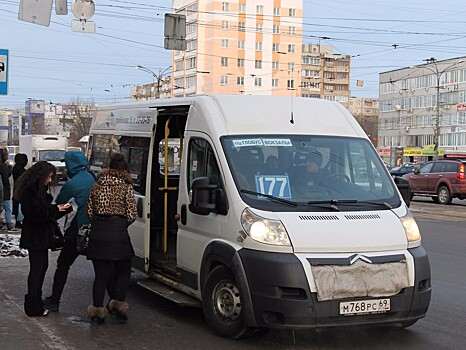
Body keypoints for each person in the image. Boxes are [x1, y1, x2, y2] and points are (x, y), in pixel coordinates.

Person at [14, 161, 72, 317]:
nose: (50, 179)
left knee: (40, 268)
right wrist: (55, 209)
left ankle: (35, 303)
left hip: (37, 236)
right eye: (49, 176)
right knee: (37, 270)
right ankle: (33, 305)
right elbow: (36, 214)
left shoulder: (34, 190)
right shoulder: (31, 192)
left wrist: (60, 210)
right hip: (36, 237)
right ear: (41, 175)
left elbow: (42, 212)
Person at [86, 153, 137, 324]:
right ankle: (117, 307)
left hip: (98, 232)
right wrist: (120, 224)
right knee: (123, 270)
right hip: (118, 232)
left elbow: (89, 212)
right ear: (124, 168)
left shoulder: (97, 185)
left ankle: (97, 312)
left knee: (101, 275)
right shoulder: (126, 187)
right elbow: (131, 214)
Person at [43, 151, 96, 312]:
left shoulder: (72, 183)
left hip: (77, 228)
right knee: (101, 266)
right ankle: (113, 303)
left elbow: (59, 202)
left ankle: (54, 300)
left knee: (63, 265)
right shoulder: (91, 177)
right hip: (94, 227)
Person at [0, 148, 16, 232]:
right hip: (4, 190)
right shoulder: (3, 165)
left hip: (3, 190)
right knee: (7, 208)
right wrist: (9, 169)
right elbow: (6, 178)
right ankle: (9, 223)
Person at [12, 153, 28, 228]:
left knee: (16, 207)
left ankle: (18, 221)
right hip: (20, 191)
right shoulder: (20, 169)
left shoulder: (15, 168)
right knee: (20, 207)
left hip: (16, 190)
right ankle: (19, 221)